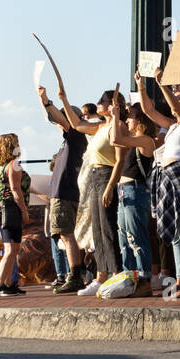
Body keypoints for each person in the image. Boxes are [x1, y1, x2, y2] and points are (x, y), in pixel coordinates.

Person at [137, 69, 180, 298]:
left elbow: (176, 109)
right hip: (165, 176)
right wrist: (141, 84)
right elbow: (148, 111)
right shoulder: (174, 125)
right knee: (176, 235)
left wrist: (162, 84)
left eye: (179, 98)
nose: (174, 101)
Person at [62, 88, 126, 296]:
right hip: (95, 176)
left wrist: (110, 186)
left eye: (103, 100)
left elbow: (120, 160)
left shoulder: (118, 126)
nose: (99, 103)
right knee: (96, 229)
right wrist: (64, 99)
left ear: (113, 105)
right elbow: (77, 124)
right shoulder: (100, 126)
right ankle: (101, 276)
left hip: (108, 175)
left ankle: (117, 274)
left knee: (107, 228)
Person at [39, 86, 88, 294]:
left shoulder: (75, 134)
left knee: (67, 234)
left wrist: (46, 100)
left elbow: (60, 119)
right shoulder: (68, 141)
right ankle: (76, 272)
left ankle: (75, 275)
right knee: (67, 235)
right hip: (65, 192)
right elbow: (55, 119)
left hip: (66, 192)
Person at [108, 99, 158, 294]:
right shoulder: (133, 139)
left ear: (140, 119)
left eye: (130, 116)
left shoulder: (146, 140)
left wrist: (114, 116)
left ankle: (144, 279)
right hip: (124, 192)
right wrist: (115, 116)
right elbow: (114, 136)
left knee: (136, 236)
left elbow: (115, 140)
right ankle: (130, 277)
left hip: (134, 190)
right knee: (124, 238)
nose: (127, 119)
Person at [0, 133, 29, 297]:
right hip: (9, 209)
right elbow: (15, 189)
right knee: (11, 248)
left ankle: (6, 284)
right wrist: (24, 211)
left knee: (12, 248)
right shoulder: (14, 164)